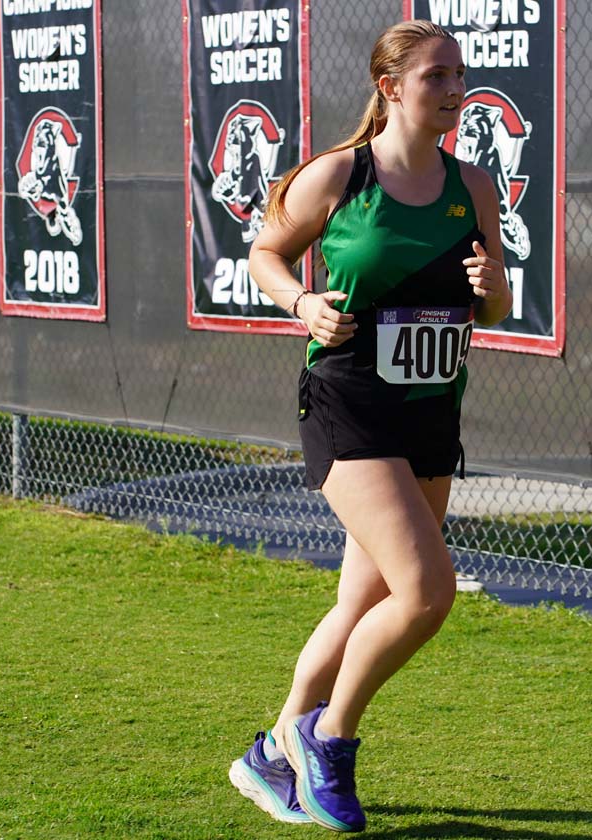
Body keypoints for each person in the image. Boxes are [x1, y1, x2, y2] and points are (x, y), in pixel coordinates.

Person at [227, 20, 513, 833]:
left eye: (460, 76)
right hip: (350, 405)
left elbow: (492, 306)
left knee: (365, 601)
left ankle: (272, 751)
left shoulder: (473, 185)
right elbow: (265, 253)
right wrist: (301, 302)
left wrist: (495, 288)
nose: (456, 90)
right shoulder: (341, 175)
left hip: (430, 410)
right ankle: (329, 737)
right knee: (426, 593)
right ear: (390, 87)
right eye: (437, 77)